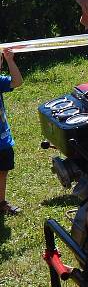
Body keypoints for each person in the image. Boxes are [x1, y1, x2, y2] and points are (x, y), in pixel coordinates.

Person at [0, 49, 23, 217]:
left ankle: (1, 202)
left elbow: (17, 81)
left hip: (2, 139)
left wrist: (10, 60)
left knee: (3, 171)